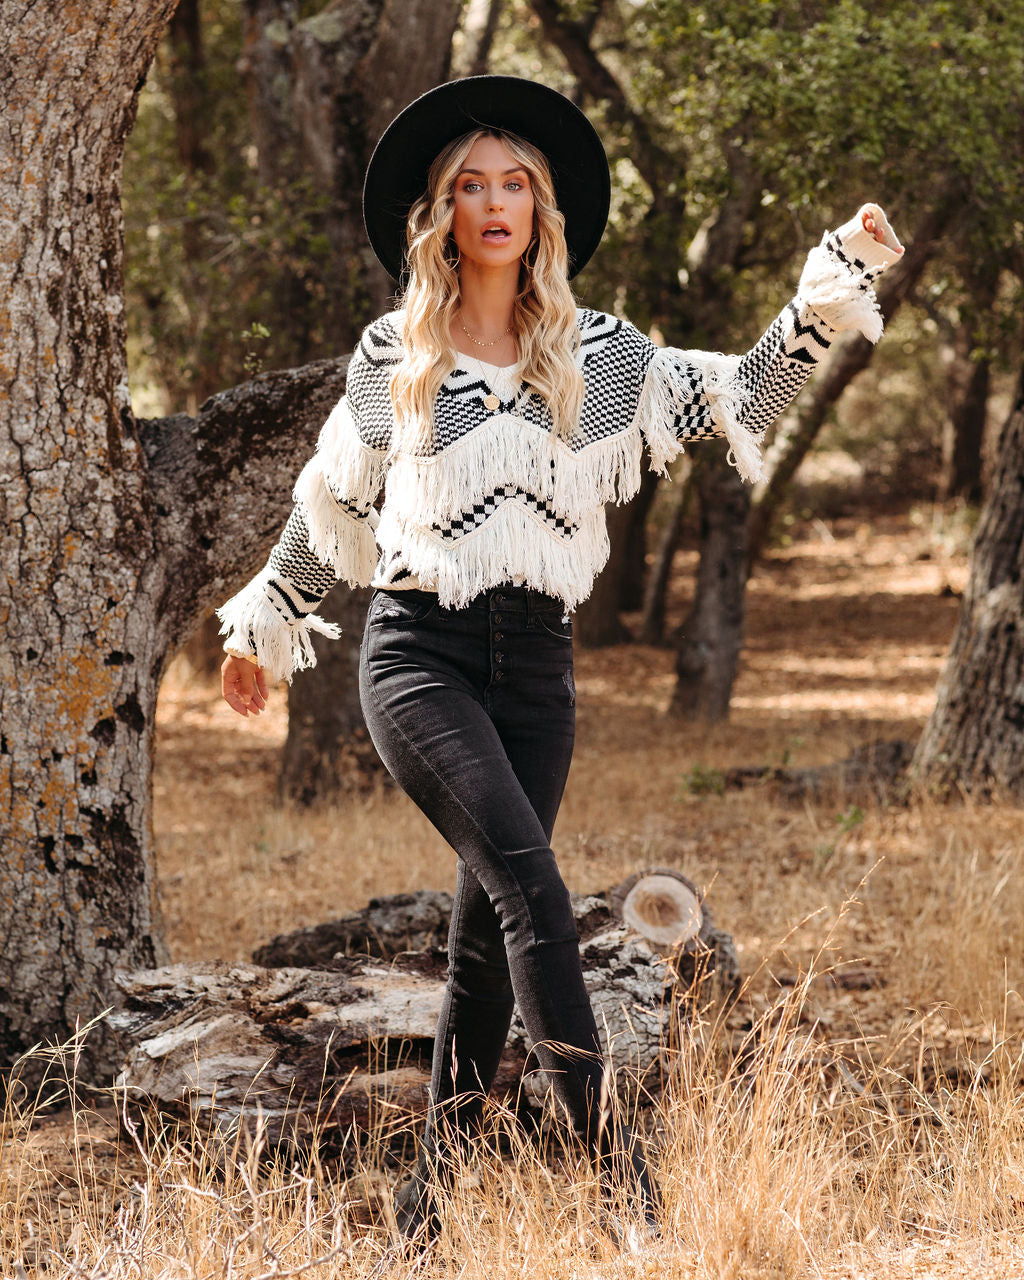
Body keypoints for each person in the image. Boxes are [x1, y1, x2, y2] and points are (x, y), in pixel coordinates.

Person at [217, 76, 903, 1257]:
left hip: (537, 667)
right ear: (440, 212)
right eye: (470, 186)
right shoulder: (396, 352)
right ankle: (620, 1186)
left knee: (487, 945)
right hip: (419, 656)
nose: (494, 204)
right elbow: (333, 498)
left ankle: (423, 1216)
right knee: (534, 898)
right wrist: (266, 620)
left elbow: (741, 396)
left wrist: (826, 286)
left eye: (514, 185)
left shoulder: (602, 356)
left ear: (542, 208)